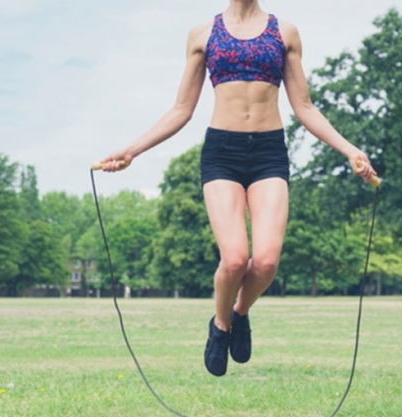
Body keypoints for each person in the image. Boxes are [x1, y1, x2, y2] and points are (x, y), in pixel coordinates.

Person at [98, 0, 377, 377]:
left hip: (268, 153)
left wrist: (349, 150)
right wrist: (132, 150)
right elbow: (182, 109)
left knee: (264, 261)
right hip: (222, 154)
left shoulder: (285, 32)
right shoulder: (203, 34)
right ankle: (220, 326)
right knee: (233, 259)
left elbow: (305, 107)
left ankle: (240, 312)